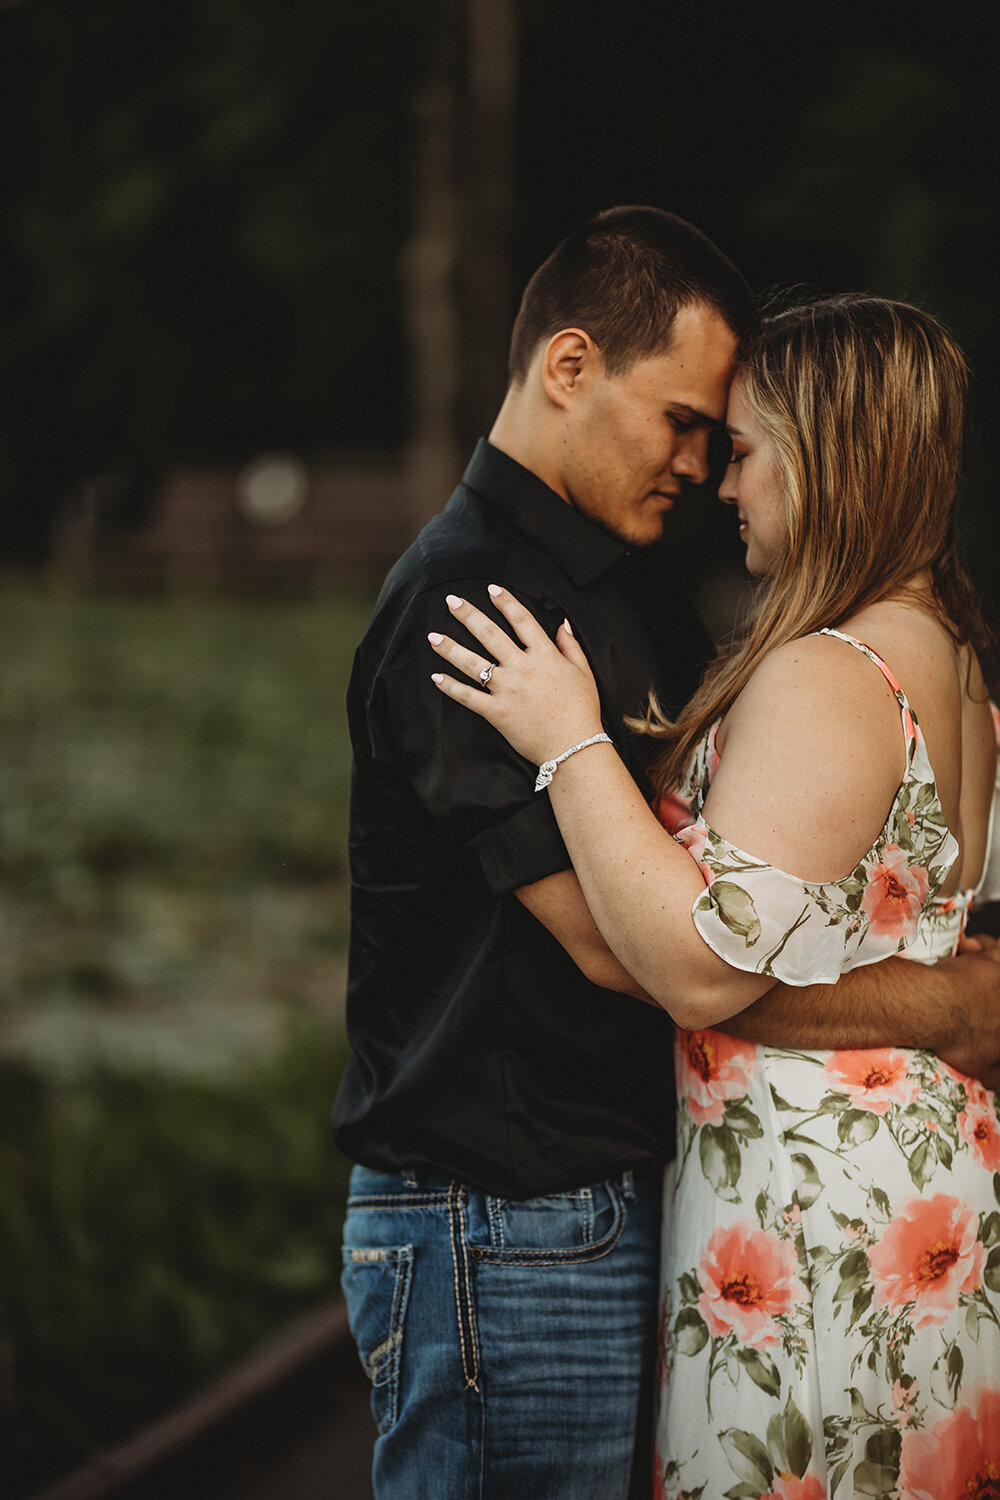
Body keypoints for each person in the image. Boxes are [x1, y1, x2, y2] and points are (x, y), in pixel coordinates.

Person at [427, 293, 1000, 1496]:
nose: (723, 487)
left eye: (745, 453)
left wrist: (568, 742)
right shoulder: (944, 650)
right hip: (905, 1177)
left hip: (812, 1208)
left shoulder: (828, 674)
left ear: (827, 461)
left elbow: (699, 967)